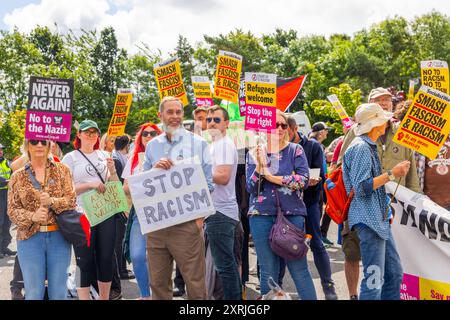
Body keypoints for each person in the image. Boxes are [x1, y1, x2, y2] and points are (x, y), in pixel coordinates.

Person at [338, 87, 421, 300]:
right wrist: (393, 173)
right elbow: (362, 187)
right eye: (383, 119)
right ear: (375, 124)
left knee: (393, 274)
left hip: (378, 219)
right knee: (374, 281)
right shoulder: (361, 148)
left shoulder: (367, 145)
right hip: (369, 220)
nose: (387, 121)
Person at [143, 96, 213, 300]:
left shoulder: (198, 143)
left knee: (195, 283)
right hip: (157, 225)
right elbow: (144, 182)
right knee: (158, 283)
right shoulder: (152, 146)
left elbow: (209, 183)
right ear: (160, 115)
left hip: (187, 224)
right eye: (170, 112)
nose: (175, 116)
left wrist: (199, 219)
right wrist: (155, 169)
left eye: (178, 112)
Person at [246, 110, 316, 300]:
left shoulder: (296, 150)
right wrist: (260, 168)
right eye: (274, 125)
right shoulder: (254, 153)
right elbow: (251, 188)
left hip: (292, 215)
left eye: (283, 125)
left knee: (299, 268)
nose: (279, 129)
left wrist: (271, 177)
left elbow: (303, 180)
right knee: (268, 271)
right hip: (260, 216)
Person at [8, 139, 76, 299]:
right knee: (33, 293)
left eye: (43, 142)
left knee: (59, 293)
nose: (39, 145)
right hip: (29, 239)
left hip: (59, 238)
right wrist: (32, 216)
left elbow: (71, 201)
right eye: (34, 141)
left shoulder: (62, 170)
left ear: (49, 145)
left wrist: (52, 201)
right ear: (27, 145)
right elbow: (12, 210)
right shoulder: (18, 176)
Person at [62, 120, 120, 300]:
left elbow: (115, 185)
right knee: (82, 261)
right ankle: (83, 298)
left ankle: (104, 297)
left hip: (105, 212)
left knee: (106, 258)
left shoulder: (105, 154)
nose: (91, 135)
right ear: (79, 135)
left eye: (95, 132)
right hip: (81, 214)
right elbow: (65, 190)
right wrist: (89, 184)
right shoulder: (70, 158)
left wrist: (112, 170)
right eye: (87, 132)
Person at [287, 117, 338, 300]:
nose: (280, 131)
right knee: (281, 244)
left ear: (293, 129)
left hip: (309, 202)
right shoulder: (277, 147)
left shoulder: (313, 146)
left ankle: (328, 286)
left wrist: (304, 180)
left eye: (285, 128)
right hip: (285, 205)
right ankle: (274, 289)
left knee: (316, 242)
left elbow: (319, 176)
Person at [204, 105, 242, 300]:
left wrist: (195, 170)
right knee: (226, 266)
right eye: (209, 119)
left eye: (216, 119)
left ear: (226, 123)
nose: (211, 122)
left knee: (225, 267)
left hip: (220, 213)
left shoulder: (224, 144)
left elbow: (223, 176)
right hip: (219, 212)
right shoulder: (215, 144)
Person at [122, 122, 162, 300]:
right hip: (140, 212)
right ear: (140, 137)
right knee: (137, 255)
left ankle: (158, 295)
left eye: (153, 134)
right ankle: (145, 295)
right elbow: (125, 187)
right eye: (145, 134)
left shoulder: (166, 155)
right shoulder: (134, 158)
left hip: (163, 212)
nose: (149, 137)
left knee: (160, 258)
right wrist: (140, 182)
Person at [110, 135, 133, 300]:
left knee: (120, 238)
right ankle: (121, 270)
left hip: (120, 204)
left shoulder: (118, 159)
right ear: (126, 145)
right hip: (119, 204)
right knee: (119, 239)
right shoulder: (117, 161)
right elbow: (117, 185)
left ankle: (122, 269)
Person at [0, 143, 14, 258]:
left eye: (1, 149)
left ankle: (4, 247)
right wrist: (6, 181)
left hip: (7, 194)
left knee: (7, 221)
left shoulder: (8, 163)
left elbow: (14, 174)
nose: (0, 151)